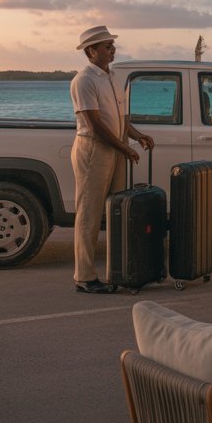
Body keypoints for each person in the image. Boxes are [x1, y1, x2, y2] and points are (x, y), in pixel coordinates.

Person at [70, 25, 154, 294]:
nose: (112, 49)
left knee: (117, 212)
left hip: (114, 148)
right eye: (107, 46)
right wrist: (125, 148)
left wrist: (138, 136)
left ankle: (118, 271)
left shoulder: (112, 76)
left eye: (112, 45)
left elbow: (121, 119)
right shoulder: (84, 80)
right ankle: (84, 276)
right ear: (91, 51)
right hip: (94, 149)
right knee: (89, 215)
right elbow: (95, 125)